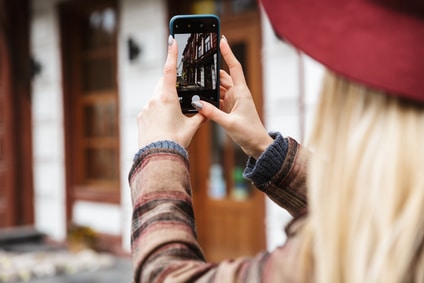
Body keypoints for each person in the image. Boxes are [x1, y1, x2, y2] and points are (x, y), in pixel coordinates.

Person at [129, 0, 424, 282]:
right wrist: (264, 147)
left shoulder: (340, 260)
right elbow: (363, 207)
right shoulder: (402, 229)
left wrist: (158, 153)